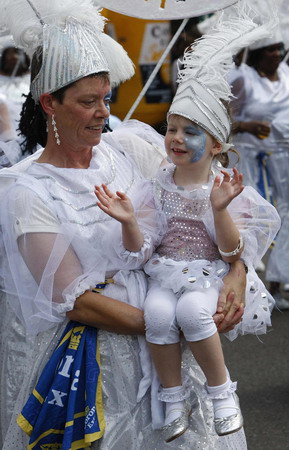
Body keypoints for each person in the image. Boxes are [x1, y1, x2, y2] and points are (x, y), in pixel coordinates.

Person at [0, 1, 262, 449]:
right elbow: (76, 302)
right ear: (49, 103)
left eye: (105, 99)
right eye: (87, 102)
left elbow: (206, 203)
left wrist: (236, 272)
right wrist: (176, 322)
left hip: (170, 344)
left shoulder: (129, 149)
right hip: (99, 365)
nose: (104, 111)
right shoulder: (27, 190)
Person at [94, 21, 280, 444]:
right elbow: (142, 251)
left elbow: (233, 251)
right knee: (158, 315)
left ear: (216, 144)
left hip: (206, 276)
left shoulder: (225, 189)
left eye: (190, 131)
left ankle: (222, 393)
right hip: (165, 272)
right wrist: (128, 222)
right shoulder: (156, 185)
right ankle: (172, 397)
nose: (176, 139)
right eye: (171, 129)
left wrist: (219, 211)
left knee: (194, 313)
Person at [230, 31, 289, 309]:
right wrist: (248, 126)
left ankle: (278, 281)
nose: (277, 54)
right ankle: (248, 282)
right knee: (255, 216)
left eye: (279, 48)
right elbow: (225, 121)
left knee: (287, 213)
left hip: (283, 158)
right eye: (270, 49)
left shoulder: (286, 75)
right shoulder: (243, 78)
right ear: (256, 53)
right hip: (251, 160)